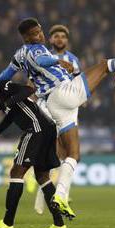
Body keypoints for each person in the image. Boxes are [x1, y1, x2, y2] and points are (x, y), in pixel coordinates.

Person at [0, 17, 115, 219]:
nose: (40, 35)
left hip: (55, 104)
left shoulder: (19, 55)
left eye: (40, 31)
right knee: (105, 65)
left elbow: (3, 77)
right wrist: (57, 60)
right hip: (62, 93)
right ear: (26, 37)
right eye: (35, 34)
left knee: (73, 155)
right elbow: (41, 60)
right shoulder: (36, 49)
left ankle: (60, 197)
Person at [0, 70, 67, 228]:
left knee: (16, 172)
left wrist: (5, 104)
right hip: (46, 128)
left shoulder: (2, 87)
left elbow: (28, 90)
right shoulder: (0, 98)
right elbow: (12, 115)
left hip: (36, 129)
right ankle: (59, 224)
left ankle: (7, 223)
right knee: (42, 177)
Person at [34, 24, 81, 215]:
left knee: (67, 153)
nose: (60, 39)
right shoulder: (44, 57)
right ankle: (46, 191)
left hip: (68, 108)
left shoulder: (74, 60)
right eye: (56, 36)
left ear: (67, 40)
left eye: (63, 36)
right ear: (51, 39)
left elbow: (78, 83)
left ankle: (60, 194)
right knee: (54, 152)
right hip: (47, 107)